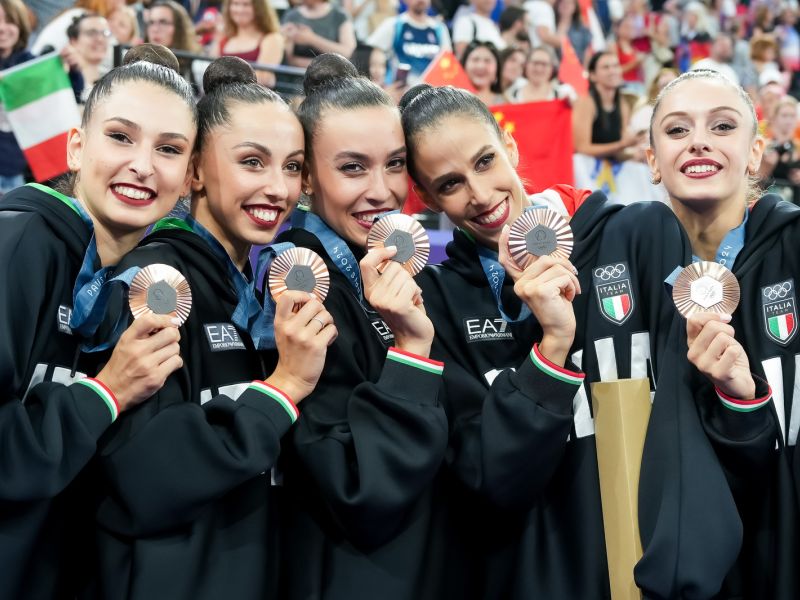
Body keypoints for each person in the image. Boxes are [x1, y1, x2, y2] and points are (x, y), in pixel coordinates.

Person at [87, 56, 335, 600]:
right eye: (253, 162)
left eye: (292, 167)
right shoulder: (154, 284)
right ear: (195, 171)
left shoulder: (263, 287)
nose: (278, 188)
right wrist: (285, 388)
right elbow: (144, 474)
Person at [399, 81, 621, 599]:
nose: (479, 195)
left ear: (511, 146)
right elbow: (490, 478)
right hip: (525, 573)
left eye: (484, 161)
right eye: (450, 183)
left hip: (633, 555)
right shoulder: (435, 303)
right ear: (427, 197)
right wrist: (551, 349)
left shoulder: (617, 237)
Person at [585, 67, 800, 599]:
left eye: (723, 126)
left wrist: (741, 396)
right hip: (653, 555)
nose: (699, 140)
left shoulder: (793, 246)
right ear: (653, 161)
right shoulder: (613, 263)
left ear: (755, 153)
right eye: (678, 130)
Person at [0, 44, 193, 600]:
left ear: (187, 176)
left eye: (169, 148)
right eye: (121, 137)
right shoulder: (19, 245)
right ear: (77, 148)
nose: (143, 164)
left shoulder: (137, 276)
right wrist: (105, 392)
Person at [276, 53, 450, 600]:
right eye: (353, 168)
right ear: (306, 177)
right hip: (352, 570)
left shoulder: (388, 267)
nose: (382, 191)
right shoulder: (300, 284)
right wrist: (412, 351)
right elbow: (357, 486)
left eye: (395, 164)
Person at [366, 0, 451, 86]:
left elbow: (448, 63)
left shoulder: (439, 29)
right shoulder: (395, 24)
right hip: (402, 93)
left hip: (431, 93)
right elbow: (367, 52)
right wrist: (384, 88)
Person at [0, 0, 36, 194]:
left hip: (16, 171)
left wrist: (72, 72)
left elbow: (65, 97)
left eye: (9, 21)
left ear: (20, 25)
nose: (2, 28)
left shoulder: (33, 66)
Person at [212, 0, 283, 87]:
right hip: (219, 97)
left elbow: (263, 78)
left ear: (259, 8)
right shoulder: (223, 37)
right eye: (235, 4)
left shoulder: (271, 38)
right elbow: (211, 71)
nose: (240, 9)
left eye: (246, 5)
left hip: (253, 99)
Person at [281, 0, 356, 68]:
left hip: (330, 77)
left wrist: (311, 39)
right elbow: (288, 58)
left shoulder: (340, 15)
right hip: (295, 74)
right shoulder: (291, 15)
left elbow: (347, 53)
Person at [758, 95, 800, 205]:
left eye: (792, 116)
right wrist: (767, 165)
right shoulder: (764, 144)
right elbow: (755, 179)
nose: (788, 120)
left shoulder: (797, 146)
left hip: (794, 203)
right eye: (784, 115)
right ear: (774, 118)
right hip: (766, 200)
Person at [65, 12, 111, 103]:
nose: (100, 39)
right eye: (91, 33)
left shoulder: (115, 81)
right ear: (73, 41)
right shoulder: (65, 82)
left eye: (105, 33)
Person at [508, 45, 575, 103]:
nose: (539, 69)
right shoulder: (510, 95)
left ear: (552, 68)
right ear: (526, 65)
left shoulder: (563, 95)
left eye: (544, 64)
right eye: (535, 63)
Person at [461, 40, 506, 106]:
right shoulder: (451, 101)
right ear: (464, 65)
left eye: (487, 61)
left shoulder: (505, 104)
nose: (481, 66)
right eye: (475, 59)